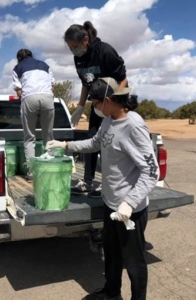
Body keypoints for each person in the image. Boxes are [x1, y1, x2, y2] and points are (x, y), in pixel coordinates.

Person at [46, 78, 159, 300]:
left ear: (107, 100)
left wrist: (130, 202)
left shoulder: (134, 126)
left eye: (95, 103)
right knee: (112, 253)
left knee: (134, 261)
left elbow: (151, 171)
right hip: (111, 204)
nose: (94, 109)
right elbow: (95, 143)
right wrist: (66, 145)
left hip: (129, 211)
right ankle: (111, 293)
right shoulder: (109, 120)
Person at [64, 21, 127, 198]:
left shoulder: (105, 51)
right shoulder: (79, 58)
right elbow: (86, 83)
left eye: (75, 46)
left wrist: (116, 104)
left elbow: (123, 78)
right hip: (98, 104)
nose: (73, 51)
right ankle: (88, 182)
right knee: (92, 140)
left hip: (114, 102)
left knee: (111, 142)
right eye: (70, 48)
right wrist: (81, 106)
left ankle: (109, 183)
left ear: (86, 39)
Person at [12, 49, 56, 181]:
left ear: (19, 58)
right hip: (47, 97)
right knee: (48, 135)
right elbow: (52, 86)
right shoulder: (45, 65)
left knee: (30, 137)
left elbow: (19, 91)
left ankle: (31, 173)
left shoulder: (17, 67)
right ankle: (51, 168)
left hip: (30, 97)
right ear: (32, 56)